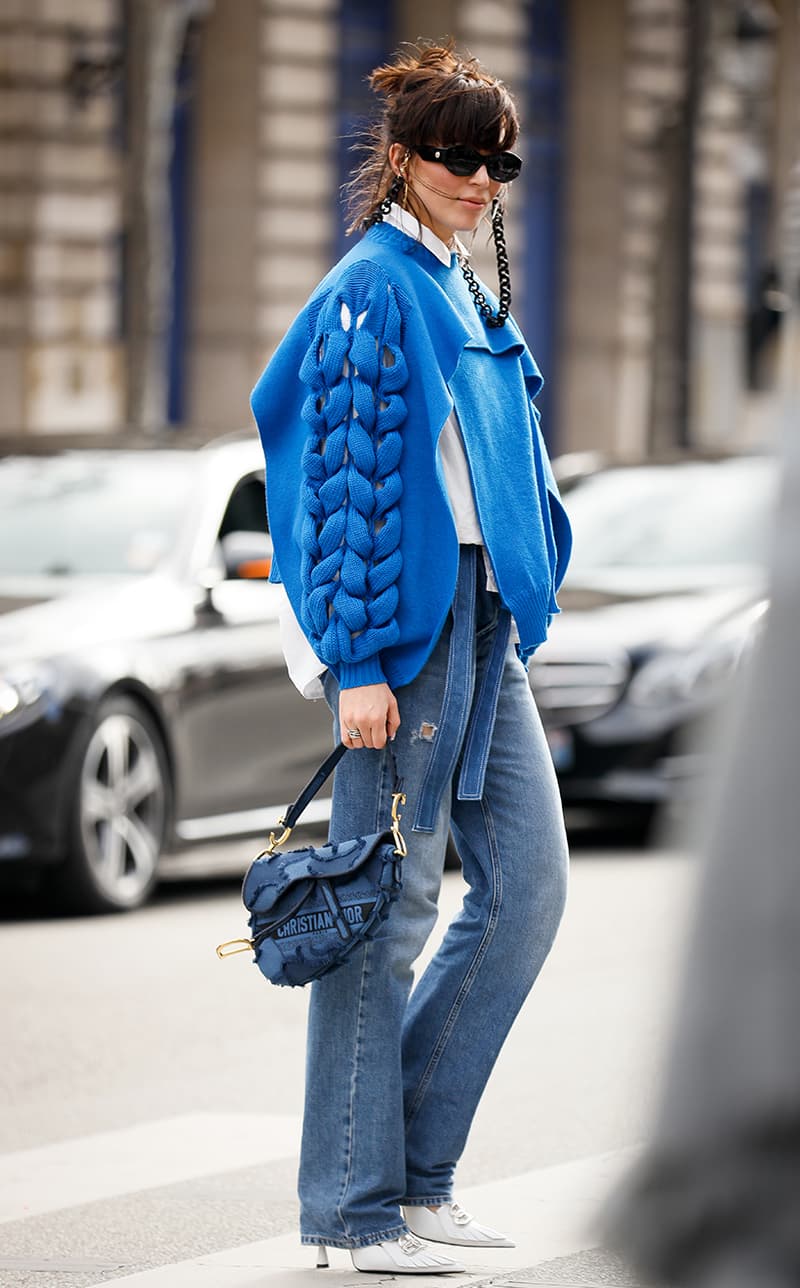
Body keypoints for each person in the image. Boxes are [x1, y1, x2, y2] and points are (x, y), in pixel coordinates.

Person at [251, 40, 572, 1276]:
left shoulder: (457, 279)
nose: (477, 178)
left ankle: (415, 1176)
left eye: (495, 160)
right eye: (453, 156)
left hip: (486, 623)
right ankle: (351, 1209)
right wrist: (359, 663)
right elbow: (342, 483)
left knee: (526, 894)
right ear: (402, 157)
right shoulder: (374, 284)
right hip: (409, 630)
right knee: (383, 910)